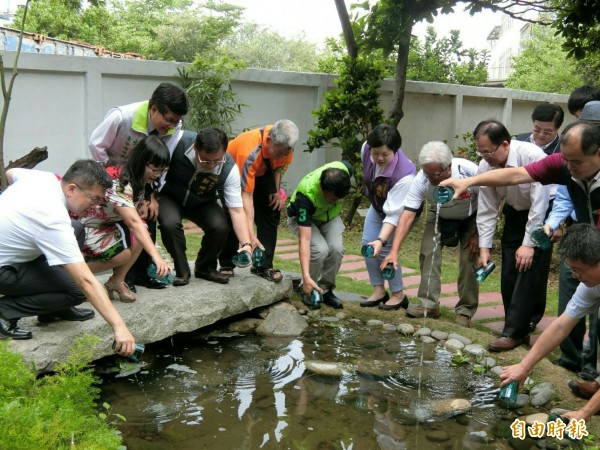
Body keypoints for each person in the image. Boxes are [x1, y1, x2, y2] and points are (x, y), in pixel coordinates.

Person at [441, 120, 600, 387]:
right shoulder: (564, 165)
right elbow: (515, 175)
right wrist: (469, 181)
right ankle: (591, 379)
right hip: (590, 248)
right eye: (567, 160)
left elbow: (540, 204)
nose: (569, 168)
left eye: (577, 162)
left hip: (592, 250)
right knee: (572, 311)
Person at [0, 160, 135, 356]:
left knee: (77, 229)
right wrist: (120, 327)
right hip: (5, 270)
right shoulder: (52, 218)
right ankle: (5, 311)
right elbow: (85, 281)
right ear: (71, 188)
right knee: (77, 291)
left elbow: (11, 173)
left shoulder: (43, 179)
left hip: (15, 254)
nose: (94, 206)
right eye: (93, 198)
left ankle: (53, 310)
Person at [89, 82, 189, 291]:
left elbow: (162, 160)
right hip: (114, 179)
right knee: (132, 223)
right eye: (168, 119)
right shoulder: (122, 117)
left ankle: (143, 273)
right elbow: (96, 144)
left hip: (141, 179)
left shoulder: (173, 127)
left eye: (176, 121)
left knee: (147, 215)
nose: (171, 126)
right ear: (154, 109)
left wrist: (152, 196)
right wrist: (110, 178)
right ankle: (126, 278)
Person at [500, 223, 600, 422]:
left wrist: (584, 413)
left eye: (578, 270)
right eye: (571, 269)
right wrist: (524, 367)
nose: (575, 276)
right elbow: (561, 326)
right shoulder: (589, 284)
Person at [469, 120, 551, 351]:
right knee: (509, 270)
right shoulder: (486, 167)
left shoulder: (532, 156)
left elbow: (539, 205)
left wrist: (528, 244)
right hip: (514, 213)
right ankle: (517, 326)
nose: (485, 157)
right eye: (481, 151)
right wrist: (484, 248)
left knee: (529, 267)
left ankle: (516, 331)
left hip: (543, 214)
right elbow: (486, 209)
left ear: (505, 144)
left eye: (488, 151)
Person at [381, 141, 480, 326]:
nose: (431, 179)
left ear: (448, 167)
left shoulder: (470, 171)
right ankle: (429, 305)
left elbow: (491, 200)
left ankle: (465, 310)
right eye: (427, 173)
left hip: (471, 216)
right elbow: (408, 214)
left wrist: (478, 233)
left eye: (435, 174)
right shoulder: (422, 179)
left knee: (469, 259)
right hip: (438, 214)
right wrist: (394, 250)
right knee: (428, 252)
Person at [80, 136, 172, 302]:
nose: (158, 175)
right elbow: (132, 222)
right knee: (121, 255)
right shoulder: (118, 181)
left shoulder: (138, 177)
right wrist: (156, 256)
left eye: (162, 171)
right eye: (154, 169)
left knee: (141, 230)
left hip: (107, 224)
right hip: (85, 226)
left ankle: (116, 281)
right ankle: (72, 277)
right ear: (141, 160)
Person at [158, 128, 253, 286]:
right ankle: (182, 271)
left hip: (202, 200)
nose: (211, 165)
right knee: (169, 224)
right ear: (196, 148)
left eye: (217, 160)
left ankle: (205, 267)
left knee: (220, 226)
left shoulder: (229, 168)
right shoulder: (177, 143)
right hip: (170, 197)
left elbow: (236, 210)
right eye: (205, 160)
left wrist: (246, 244)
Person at [219, 120, 298, 283]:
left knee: (272, 208)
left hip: (262, 172)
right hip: (233, 172)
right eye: (279, 153)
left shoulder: (286, 148)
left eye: (285, 153)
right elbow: (246, 196)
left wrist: (276, 192)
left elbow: (278, 168)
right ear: (269, 141)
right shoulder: (249, 151)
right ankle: (227, 263)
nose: (283, 156)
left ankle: (262, 265)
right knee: (233, 214)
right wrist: (249, 234)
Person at [357, 124, 416, 311]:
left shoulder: (405, 175)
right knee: (368, 245)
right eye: (376, 153)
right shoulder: (366, 149)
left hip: (401, 211)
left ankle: (399, 295)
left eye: (385, 154)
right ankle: (379, 291)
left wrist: (381, 240)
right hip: (378, 205)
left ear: (395, 150)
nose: (380, 158)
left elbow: (393, 215)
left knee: (386, 249)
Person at [286, 161, 352, 309]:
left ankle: (325, 289)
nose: (336, 201)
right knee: (319, 249)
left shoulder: (344, 171)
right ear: (323, 187)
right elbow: (305, 240)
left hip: (329, 216)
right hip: (302, 218)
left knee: (336, 249)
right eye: (333, 198)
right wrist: (305, 275)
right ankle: (308, 288)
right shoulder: (306, 195)